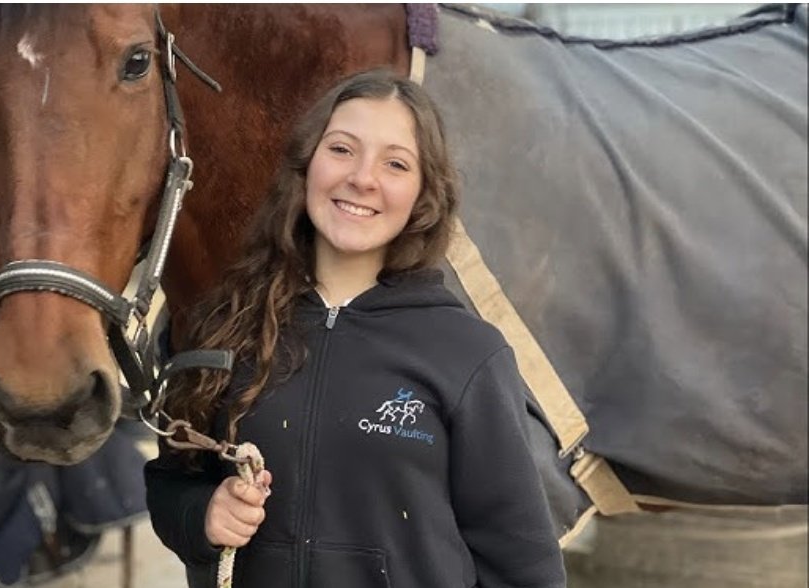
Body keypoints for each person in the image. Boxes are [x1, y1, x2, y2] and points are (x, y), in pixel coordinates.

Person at [145, 68, 566, 588]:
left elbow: (524, 567)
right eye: (342, 149)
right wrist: (204, 515)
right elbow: (170, 482)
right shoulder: (228, 325)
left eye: (395, 163)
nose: (363, 178)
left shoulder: (468, 354)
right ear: (306, 166)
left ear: (423, 194)